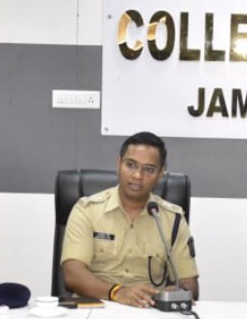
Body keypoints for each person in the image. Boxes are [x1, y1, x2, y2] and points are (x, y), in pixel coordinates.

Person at [61, 131, 199, 308]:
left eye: (149, 169)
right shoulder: (87, 210)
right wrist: (117, 292)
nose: (137, 176)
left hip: (148, 309)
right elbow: (72, 274)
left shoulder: (173, 219)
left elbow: (190, 285)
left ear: (160, 174)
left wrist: (177, 291)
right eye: (131, 165)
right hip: (96, 307)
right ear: (118, 164)